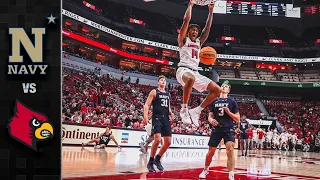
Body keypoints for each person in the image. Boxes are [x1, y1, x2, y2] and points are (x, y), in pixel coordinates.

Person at [176, 0, 221, 127]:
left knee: (217, 90)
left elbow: (207, 28)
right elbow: (186, 21)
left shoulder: (199, 43)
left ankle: (196, 111)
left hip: (195, 72)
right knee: (190, 79)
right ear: (188, 32)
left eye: (196, 30)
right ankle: (184, 109)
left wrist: (211, 10)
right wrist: (190, 5)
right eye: (193, 30)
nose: (195, 31)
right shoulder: (183, 40)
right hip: (183, 71)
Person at [199, 82, 240, 180]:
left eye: (226, 87)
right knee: (211, 152)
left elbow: (237, 118)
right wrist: (210, 120)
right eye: (223, 86)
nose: (224, 87)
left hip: (228, 129)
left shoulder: (232, 102)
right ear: (220, 88)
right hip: (217, 129)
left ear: (228, 90)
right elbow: (210, 115)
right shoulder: (214, 101)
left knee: (230, 149)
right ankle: (205, 169)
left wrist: (229, 113)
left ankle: (231, 173)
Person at [143, 75, 174, 172]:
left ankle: (157, 159)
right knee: (157, 140)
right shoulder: (154, 91)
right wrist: (145, 116)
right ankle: (150, 162)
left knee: (168, 142)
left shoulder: (168, 94)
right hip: (157, 118)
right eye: (161, 80)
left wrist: (171, 113)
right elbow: (147, 105)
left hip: (166, 119)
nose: (163, 81)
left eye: (164, 80)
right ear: (158, 82)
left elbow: (168, 106)